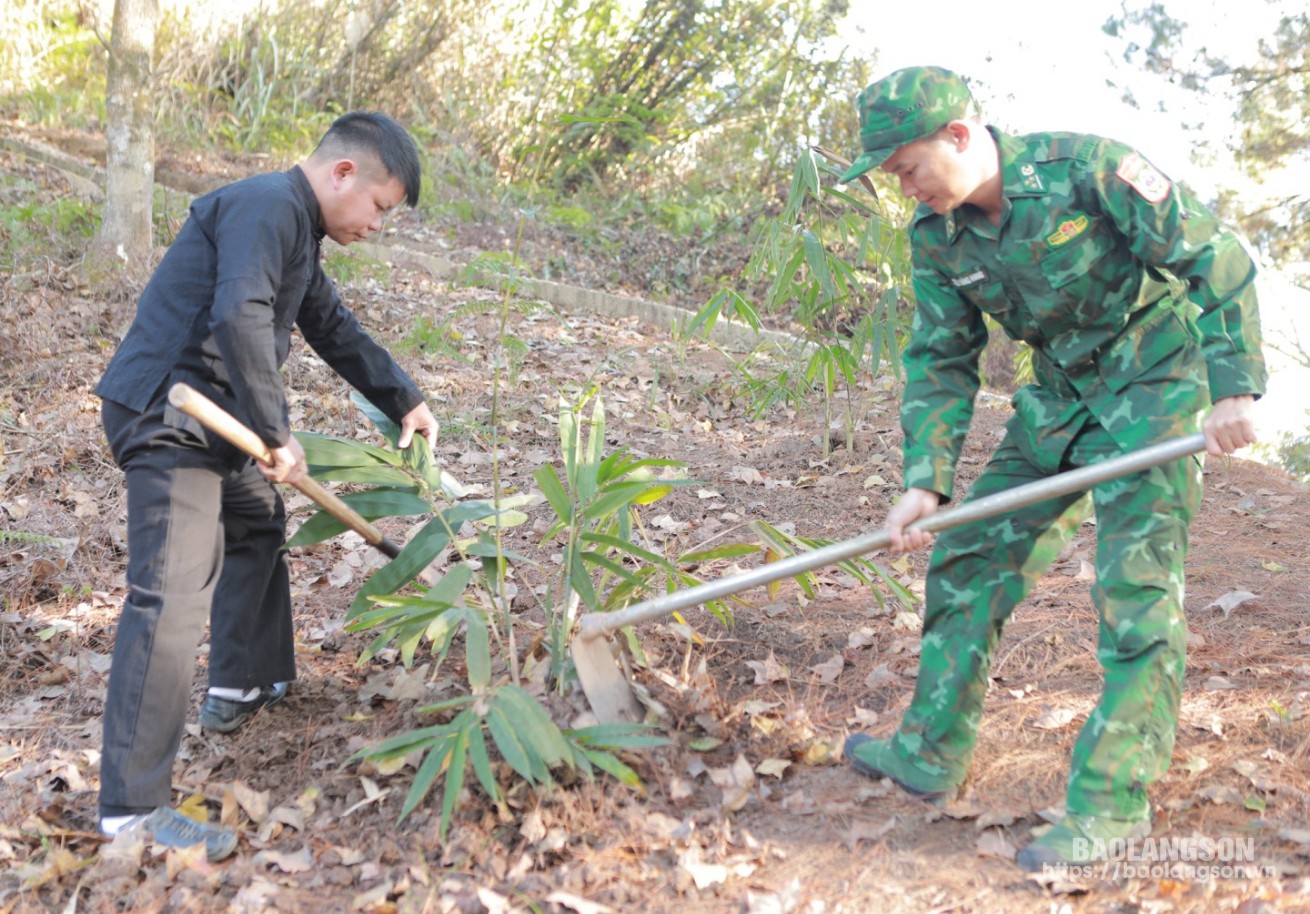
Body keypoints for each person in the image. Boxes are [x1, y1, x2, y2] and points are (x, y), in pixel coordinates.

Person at [835, 67, 1265, 871]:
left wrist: (1235, 383)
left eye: (905, 168)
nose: (904, 190)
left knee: (1133, 597)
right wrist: (924, 480)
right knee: (967, 553)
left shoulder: (1090, 170)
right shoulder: (938, 238)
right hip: (1058, 401)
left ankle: (1109, 807)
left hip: (1156, 391)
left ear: (957, 135)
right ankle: (928, 754)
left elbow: (1218, 258)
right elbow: (940, 360)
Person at [94, 111, 439, 861]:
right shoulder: (263, 206)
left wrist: (401, 396)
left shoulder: (295, 233)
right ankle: (131, 812)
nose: (380, 224)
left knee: (255, 521)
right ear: (343, 174)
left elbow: (331, 326)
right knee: (169, 598)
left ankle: (245, 682)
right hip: (168, 415)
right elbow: (239, 312)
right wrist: (277, 433)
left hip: (215, 423)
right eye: (381, 206)